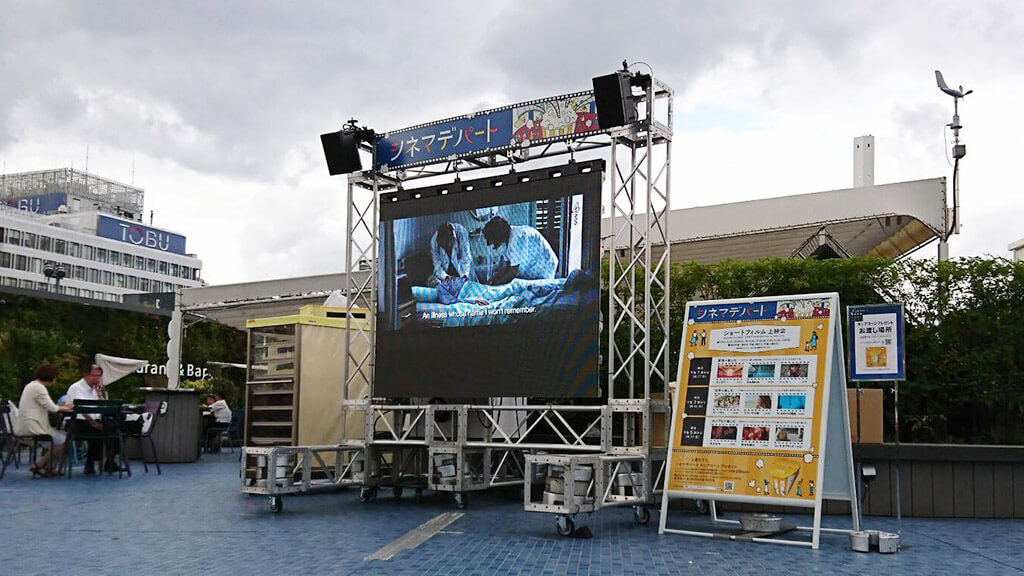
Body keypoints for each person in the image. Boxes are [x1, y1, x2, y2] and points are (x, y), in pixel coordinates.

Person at [13, 363, 73, 477]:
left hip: (27, 424)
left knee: (58, 438)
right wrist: (67, 407)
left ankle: (46, 467)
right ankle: (40, 465)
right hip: (32, 427)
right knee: (65, 440)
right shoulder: (39, 388)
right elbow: (53, 408)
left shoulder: (32, 385)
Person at [66, 364, 114, 474]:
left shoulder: (95, 389)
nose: (97, 378)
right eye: (94, 375)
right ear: (86, 375)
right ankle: (92, 462)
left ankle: (109, 461)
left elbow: (103, 408)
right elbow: (80, 409)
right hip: (78, 422)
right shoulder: (76, 388)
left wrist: (100, 395)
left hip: (93, 421)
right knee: (100, 430)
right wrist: (93, 422)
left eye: (99, 376)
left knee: (115, 429)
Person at [482, 216, 558, 284]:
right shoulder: (505, 242)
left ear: (497, 235)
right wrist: (495, 277)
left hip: (544, 266)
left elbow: (514, 271)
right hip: (532, 268)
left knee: (540, 291)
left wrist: (498, 282)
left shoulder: (518, 237)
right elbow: (508, 266)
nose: (488, 244)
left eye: (489, 239)